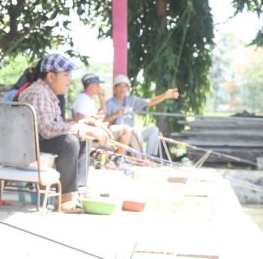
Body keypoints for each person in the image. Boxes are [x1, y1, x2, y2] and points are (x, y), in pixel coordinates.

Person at [16, 54, 112, 212]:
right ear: (51, 76)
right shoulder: (39, 92)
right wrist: (82, 129)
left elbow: (56, 124)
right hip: (29, 146)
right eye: (66, 75)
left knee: (80, 136)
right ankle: (65, 198)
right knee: (70, 141)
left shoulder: (47, 93)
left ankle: (77, 191)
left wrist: (83, 124)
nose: (69, 80)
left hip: (36, 140)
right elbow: (46, 129)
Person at [105, 74, 179, 157]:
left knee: (154, 130)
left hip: (134, 132)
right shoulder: (109, 103)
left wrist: (164, 96)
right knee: (130, 130)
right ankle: (142, 159)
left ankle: (150, 156)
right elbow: (103, 121)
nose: (122, 89)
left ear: (128, 88)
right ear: (114, 88)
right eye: (119, 86)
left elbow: (150, 101)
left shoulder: (132, 100)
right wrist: (115, 115)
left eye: (125, 86)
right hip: (119, 133)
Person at [72, 74, 133, 154]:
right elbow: (79, 119)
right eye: (97, 84)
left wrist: (103, 100)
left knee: (125, 130)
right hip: (89, 134)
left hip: (94, 131)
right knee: (126, 130)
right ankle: (119, 159)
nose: (99, 87)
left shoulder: (88, 98)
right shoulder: (83, 99)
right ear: (91, 85)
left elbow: (101, 117)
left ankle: (118, 159)